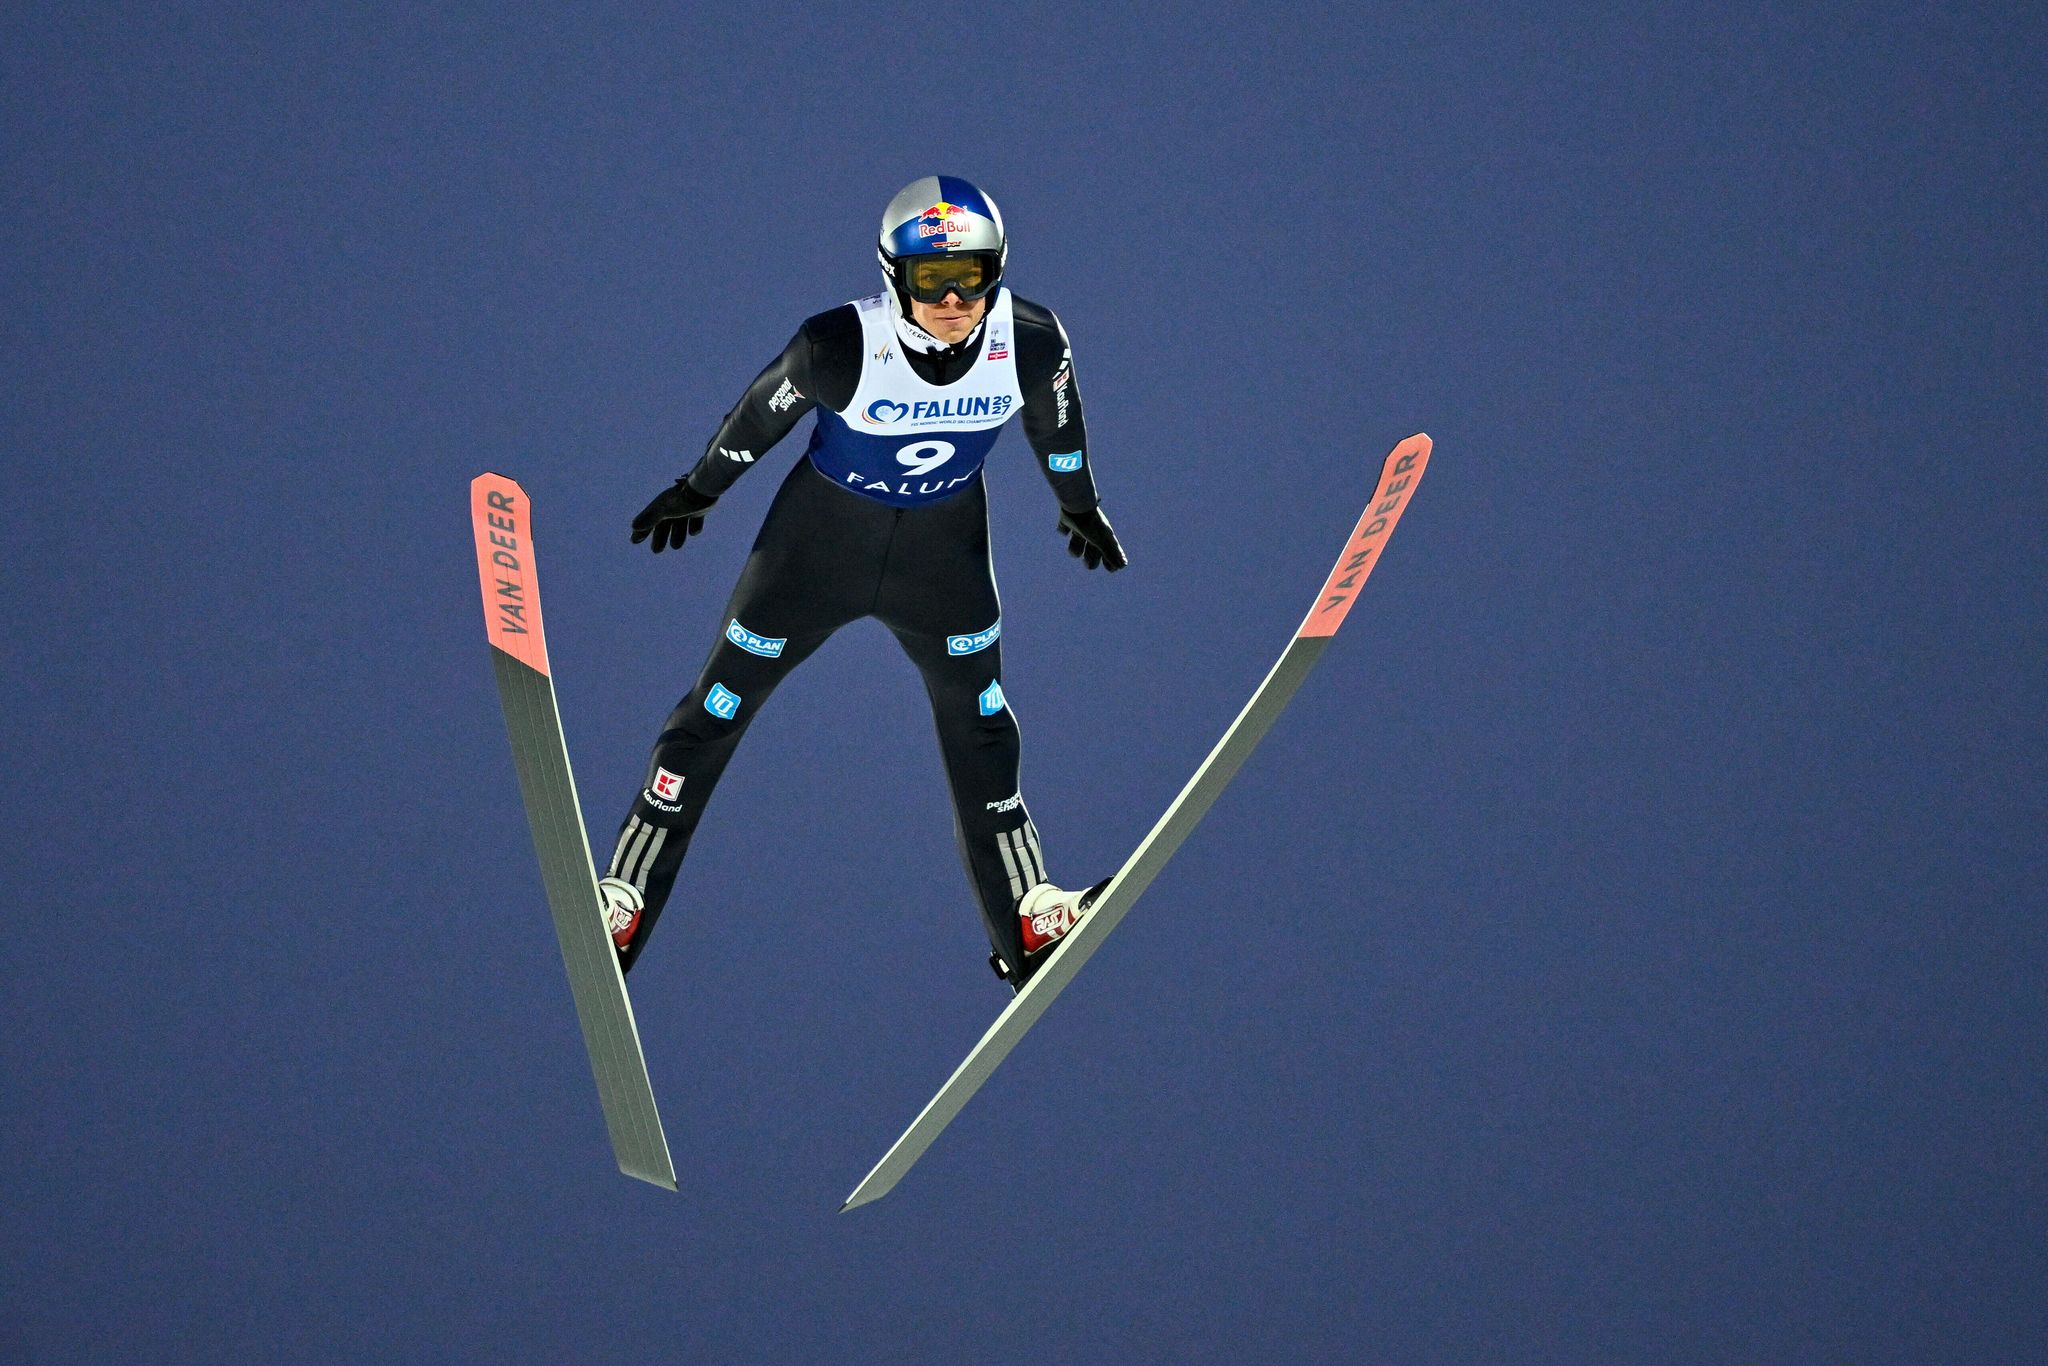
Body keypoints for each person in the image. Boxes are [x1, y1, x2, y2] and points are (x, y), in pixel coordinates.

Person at [599, 175, 1126, 992]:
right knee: (715, 709)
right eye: (930, 280)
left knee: (983, 722)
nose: (954, 298)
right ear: (894, 276)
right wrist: (700, 488)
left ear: (998, 271)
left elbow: (1056, 426)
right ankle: (626, 895)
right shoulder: (838, 345)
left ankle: (1026, 916)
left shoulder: (1031, 341)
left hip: (941, 559)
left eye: (973, 276)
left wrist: (1081, 506)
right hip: (815, 551)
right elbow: (757, 420)